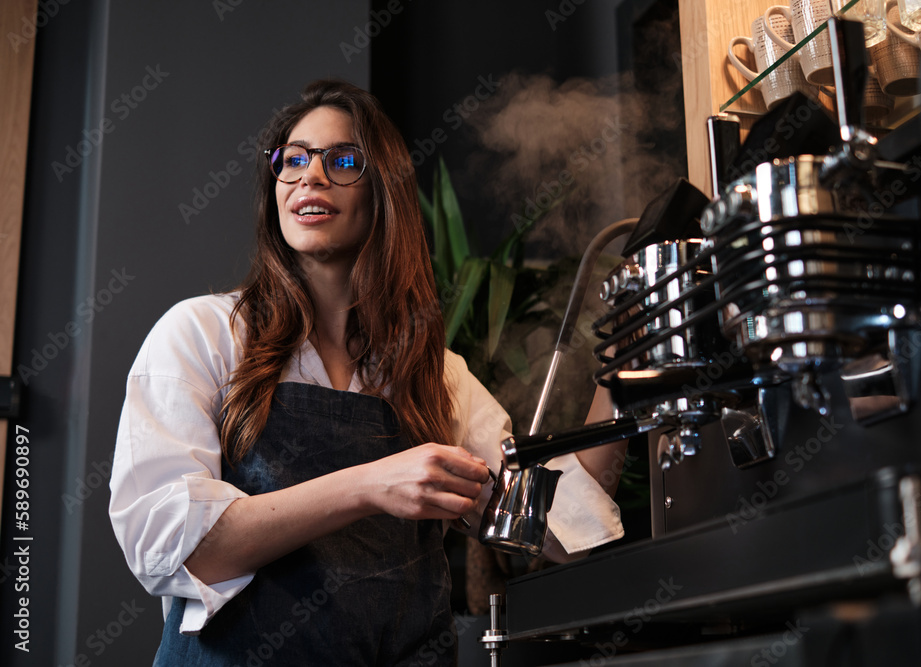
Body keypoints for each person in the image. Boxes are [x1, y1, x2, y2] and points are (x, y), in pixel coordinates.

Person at [109, 79, 628, 666]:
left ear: (385, 190)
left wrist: (622, 371)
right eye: (294, 159)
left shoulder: (432, 374)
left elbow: (557, 529)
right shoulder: (203, 333)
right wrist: (371, 485)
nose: (310, 176)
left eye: (343, 160)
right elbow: (176, 548)